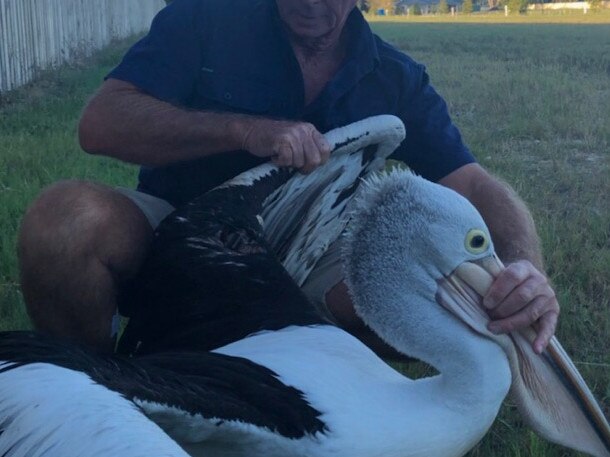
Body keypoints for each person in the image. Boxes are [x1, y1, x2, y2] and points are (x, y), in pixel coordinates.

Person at [18, 0, 558, 355]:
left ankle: (302, 374)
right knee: (63, 223)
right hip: (173, 231)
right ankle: (91, 386)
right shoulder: (203, 20)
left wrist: (524, 270)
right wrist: (242, 129)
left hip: (310, 254)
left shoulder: (396, 77)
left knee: (454, 306)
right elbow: (101, 122)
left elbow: (471, 183)